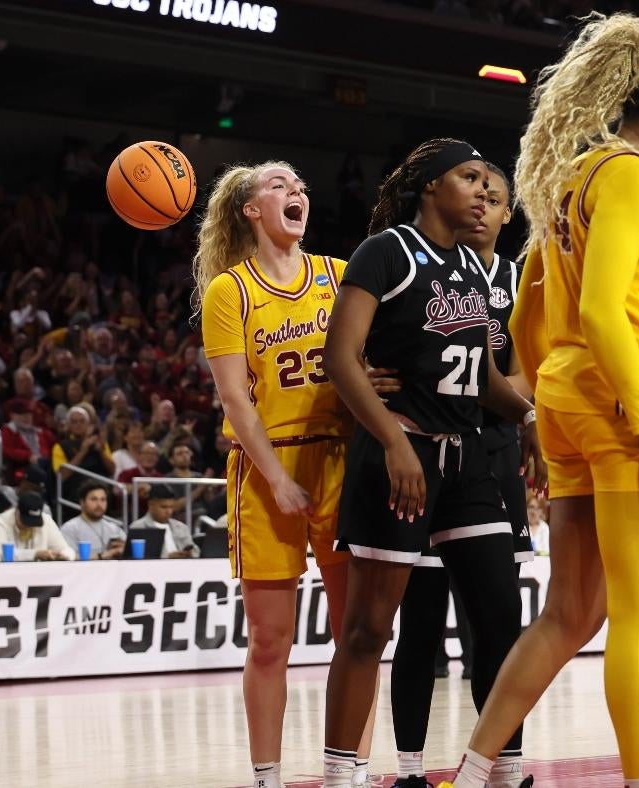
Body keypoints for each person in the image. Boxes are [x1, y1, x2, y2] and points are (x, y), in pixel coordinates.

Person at [440, 14, 639, 788]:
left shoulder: (567, 179)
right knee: (637, 621)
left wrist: (544, 400)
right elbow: (599, 310)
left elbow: (526, 314)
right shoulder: (631, 173)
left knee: (570, 614)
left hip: (565, 401)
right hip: (625, 402)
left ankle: (472, 768)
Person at [320, 138, 539, 788]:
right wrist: (390, 440)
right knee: (368, 630)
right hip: (402, 455)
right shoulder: (386, 252)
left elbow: (486, 380)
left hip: (467, 458)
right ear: (429, 187)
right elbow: (340, 357)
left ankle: (501, 769)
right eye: (467, 178)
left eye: (485, 181)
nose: (480, 190)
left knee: (501, 615)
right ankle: (340, 775)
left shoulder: (474, 271)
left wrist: (530, 420)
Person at [197, 160, 384, 788]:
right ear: (251, 210)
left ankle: (351, 771)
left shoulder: (338, 275)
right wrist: (275, 477)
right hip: (265, 467)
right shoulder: (231, 291)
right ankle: (267, 778)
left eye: (300, 184)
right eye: (279, 186)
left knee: (356, 634)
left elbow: (368, 360)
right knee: (270, 641)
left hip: (341, 459)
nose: (295, 191)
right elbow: (234, 400)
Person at [389, 160, 536, 788]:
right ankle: (409, 769)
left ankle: (504, 766)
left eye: (495, 197)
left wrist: (470, 390)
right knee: (418, 621)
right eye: (475, 191)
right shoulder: (419, 267)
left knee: (494, 624)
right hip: (428, 445)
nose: (481, 203)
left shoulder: (520, 281)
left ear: (507, 215)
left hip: (496, 456)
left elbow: (530, 374)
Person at [52, 405, 115, 504]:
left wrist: (101, 451)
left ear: (89, 424)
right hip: (75, 493)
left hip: (102, 489)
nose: (78, 425)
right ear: (68, 425)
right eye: (74, 422)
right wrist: (83, 451)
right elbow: (61, 475)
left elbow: (112, 470)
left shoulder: (99, 442)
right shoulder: (60, 446)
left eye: (82, 421)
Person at [0, 490, 73, 561]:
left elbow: (66, 549)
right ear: (17, 511)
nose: (29, 526)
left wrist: (63, 555)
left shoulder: (46, 520)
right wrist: (35, 554)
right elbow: (0, 555)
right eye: (26, 522)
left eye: (34, 522)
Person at [61, 481, 126, 559]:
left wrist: (123, 550)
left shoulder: (114, 529)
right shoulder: (70, 528)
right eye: (94, 499)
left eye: (103, 499)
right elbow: (67, 557)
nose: (99, 504)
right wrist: (102, 556)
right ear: (82, 502)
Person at [129, 484, 195, 558]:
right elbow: (134, 559)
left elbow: (195, 552)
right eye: (164, 507)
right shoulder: (138, 527)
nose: (169, 511)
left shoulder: (181, 527)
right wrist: (168, 557)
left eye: (171, 507)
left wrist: (190, 553)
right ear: (150, 505)